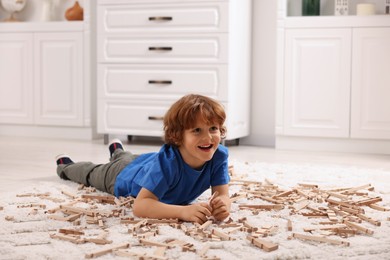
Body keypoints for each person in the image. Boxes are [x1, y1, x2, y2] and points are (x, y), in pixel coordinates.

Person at [56, 94, 231, 224]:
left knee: (127, 158)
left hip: (145, 162)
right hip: (122, 175)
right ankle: (66, 166)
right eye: (197, 130)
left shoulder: (219, 155)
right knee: (93, 172)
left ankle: (117, 151)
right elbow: (141, 206)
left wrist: (222, 207)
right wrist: (184, 212)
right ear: (178, 136)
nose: (208, 138)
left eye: (213, 128)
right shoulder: (167, 163)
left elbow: (223, 194)